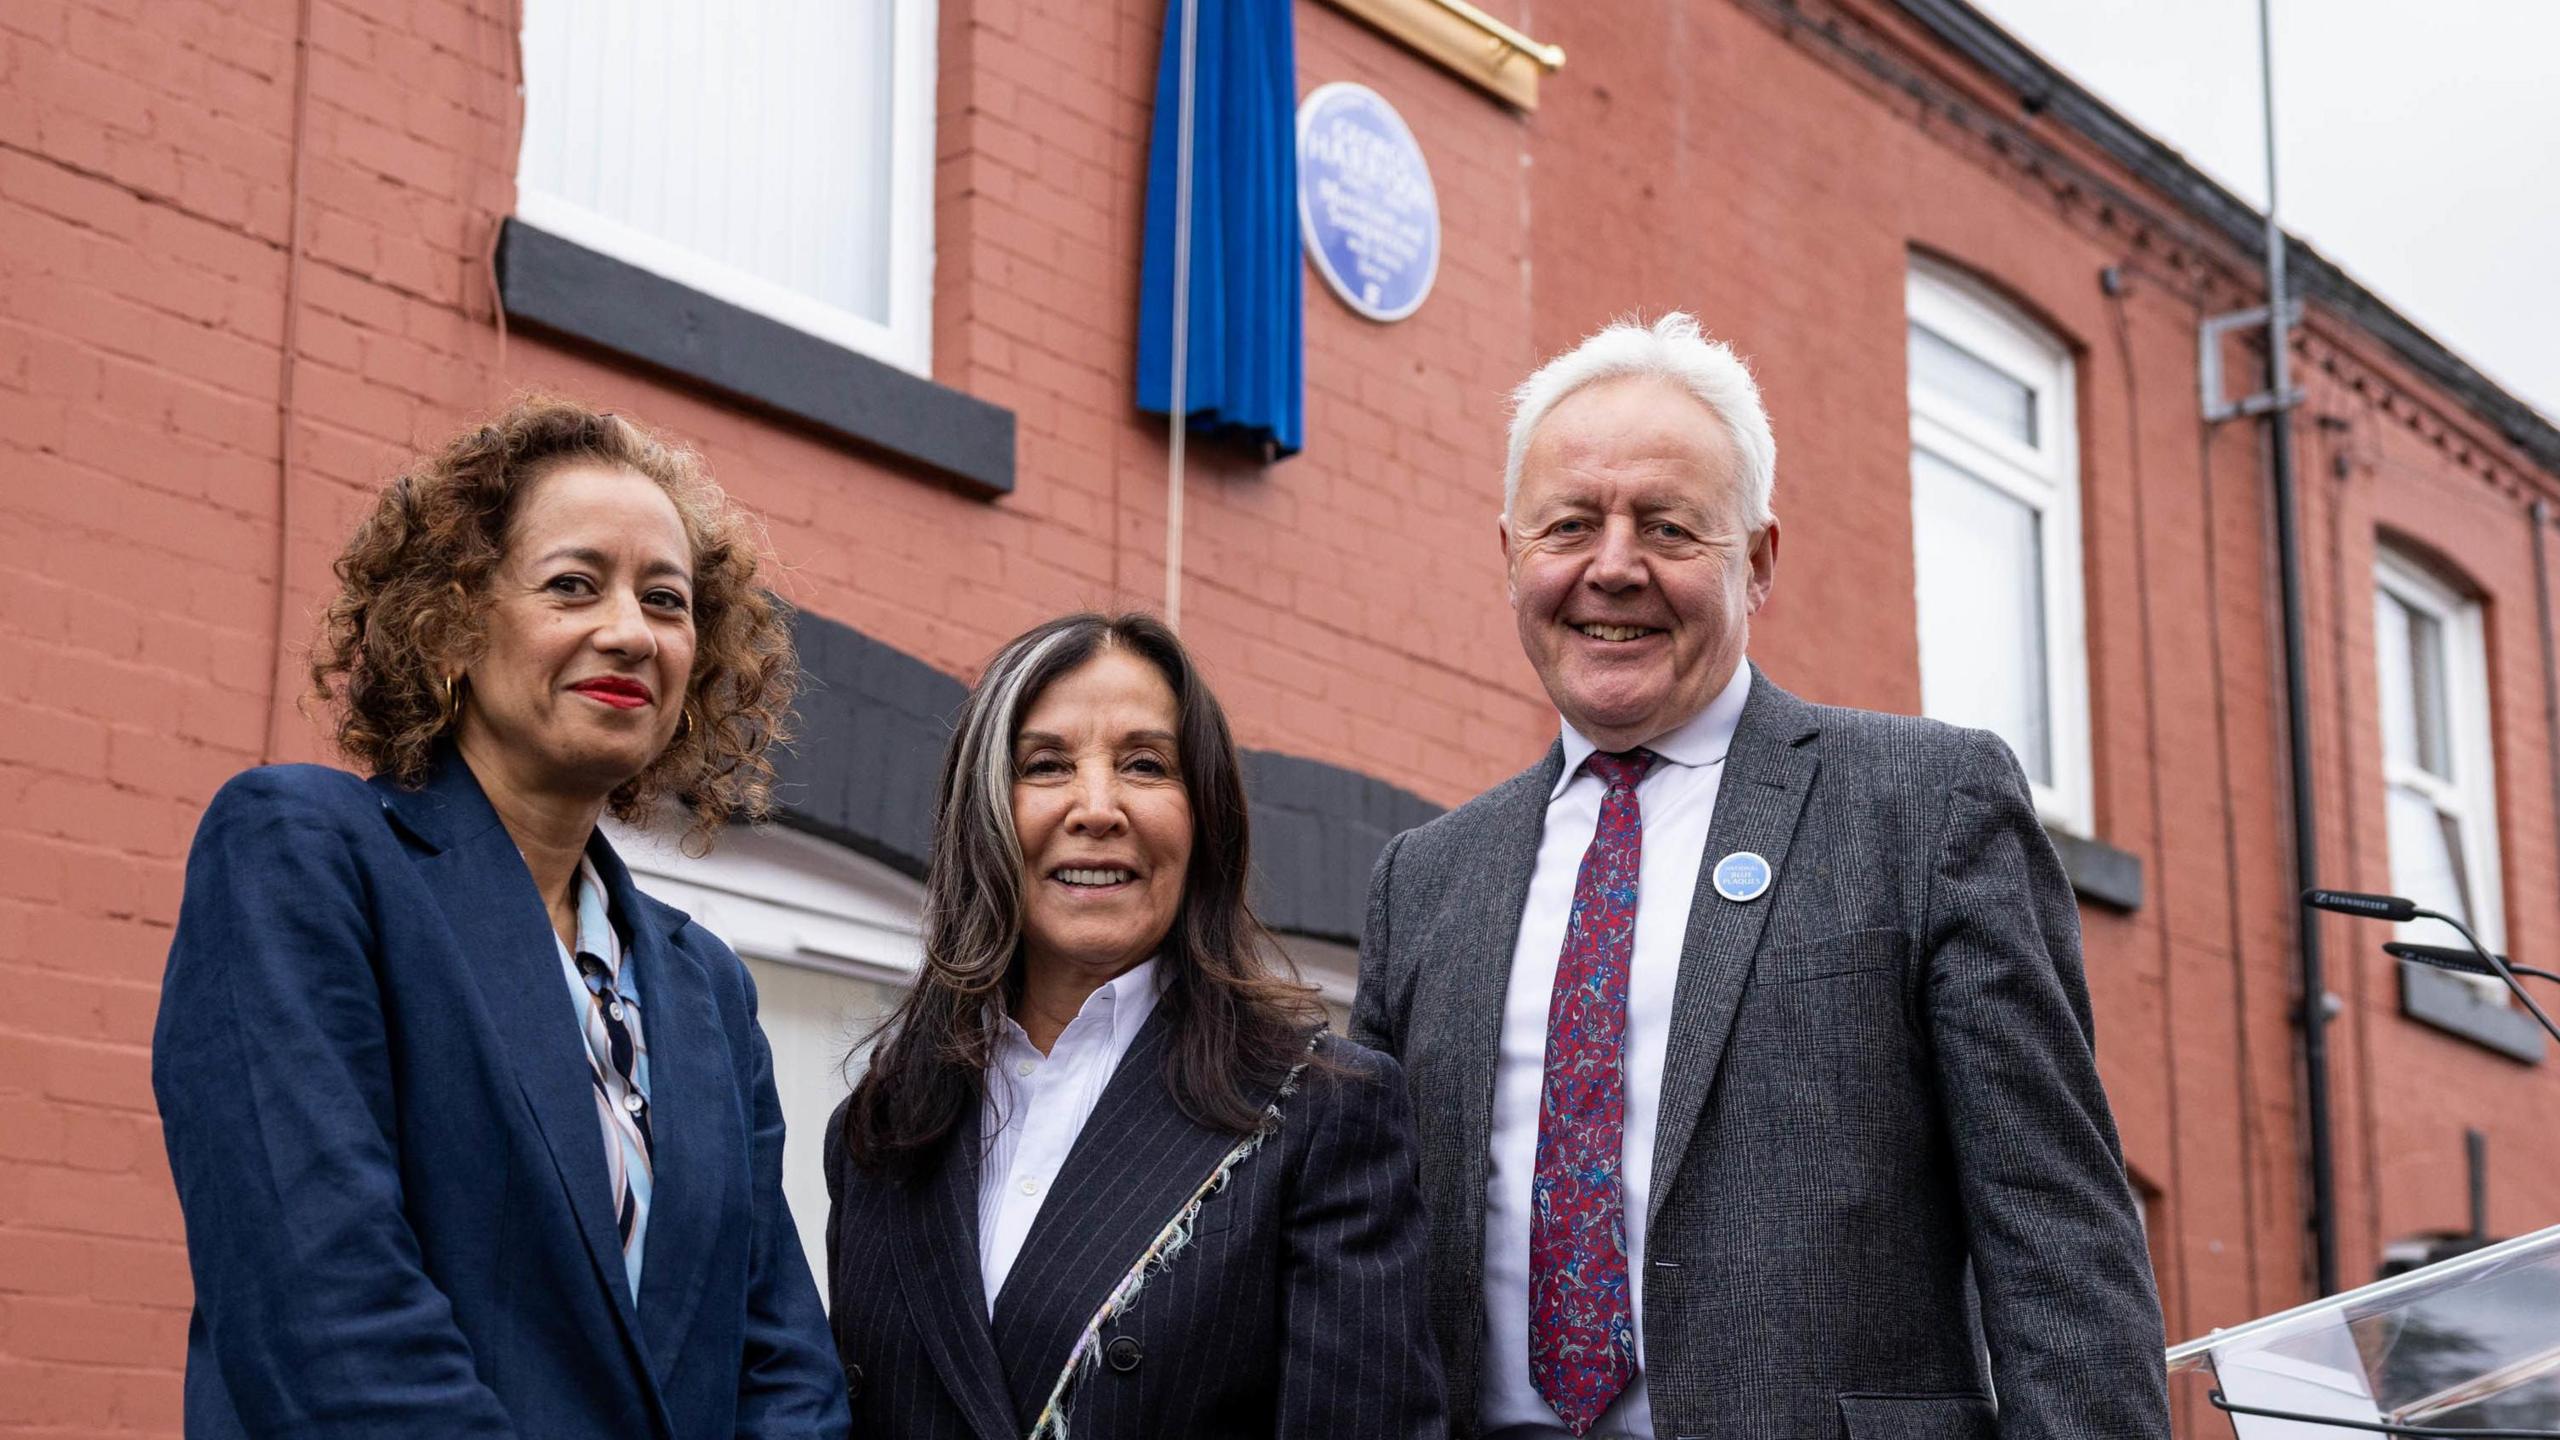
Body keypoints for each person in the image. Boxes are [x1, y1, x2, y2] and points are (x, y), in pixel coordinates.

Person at [1351, 315, 2171, 1440]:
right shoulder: (1426, 881)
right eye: (1570, 525)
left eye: (1670, 527)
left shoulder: (1926, 806)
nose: (1613, 566)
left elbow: (2057, 1239)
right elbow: (1363, 1264)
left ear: (1760, 561)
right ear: (1509, 556)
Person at [153, 399, 850, 1439]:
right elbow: (325, 1310)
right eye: (574, 585)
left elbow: (781, 1359)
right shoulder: (306, 853)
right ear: (455, 618)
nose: (629, 632)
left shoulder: (709, 983)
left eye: (667, 601)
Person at [826, 612, 1446, 1440]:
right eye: (1045, 766)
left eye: (1145, 765)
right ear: (983, 817)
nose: (1097, 807)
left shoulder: (1320, 1112)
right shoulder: (881, 1127)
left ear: (1205, 821)